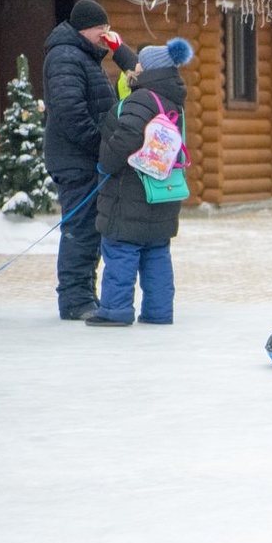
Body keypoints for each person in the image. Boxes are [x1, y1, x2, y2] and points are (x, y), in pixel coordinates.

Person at [87, 38, 193, 328]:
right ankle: (159, 312)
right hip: (161, 192)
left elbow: (127, 138)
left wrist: (106, 163)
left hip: (131, 190)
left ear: (151, 69)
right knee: (156, 251)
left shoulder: (142, 99)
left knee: (121, 249)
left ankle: (115, 310)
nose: (136, 66)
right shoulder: (172, 99)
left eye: (141, 63)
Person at [42, 0, 136, 322]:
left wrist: (118, 49)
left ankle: (83, 295)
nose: (107, 35)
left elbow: (136, 76)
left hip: (84, 158)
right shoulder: (66, 56)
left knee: (87, 228)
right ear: (87, 28)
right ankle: (74, 300)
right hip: (75, 159)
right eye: (103, 29)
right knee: (80, 228)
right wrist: (102, 146)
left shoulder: (83, 55)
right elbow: (71, 113)